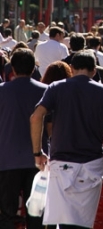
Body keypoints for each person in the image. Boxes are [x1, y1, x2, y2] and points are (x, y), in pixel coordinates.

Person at [30, 50, 103, 229]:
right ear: (94, 71)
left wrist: (38, 152)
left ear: (71, 68)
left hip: (61, 163)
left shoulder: (56, 88)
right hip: (91, 163)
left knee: (62, 220)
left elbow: (36, 117)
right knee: (83, 222)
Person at [0, 48, 48, 229]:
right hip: (38, 160)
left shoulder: (2, 91)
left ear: (12, 67)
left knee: (7, 213)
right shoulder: (46, 91)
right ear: (33, 67)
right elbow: (50, 126)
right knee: (36, 214)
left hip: (6, 159)